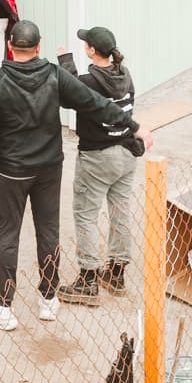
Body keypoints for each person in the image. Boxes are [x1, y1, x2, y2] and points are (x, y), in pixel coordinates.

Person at [0, 19, 141, 331]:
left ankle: (4, 306)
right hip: (49, 166)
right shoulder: (53, 74)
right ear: (38, 48)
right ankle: (49, 298)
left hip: (11, 170)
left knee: (7, 234)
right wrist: (133, 126)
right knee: (48, 230)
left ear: (10, 47)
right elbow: (95, 103)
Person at [57, 26, 150, 306]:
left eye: (86, 43)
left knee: (85, 215)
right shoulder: (125, 73)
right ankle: (116, 273)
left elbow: (72, 93)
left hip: (98, 156)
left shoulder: (89, 80)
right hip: (126, 154)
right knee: (120, 211)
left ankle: (87, 279)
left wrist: (64, 62)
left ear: (91, 50)